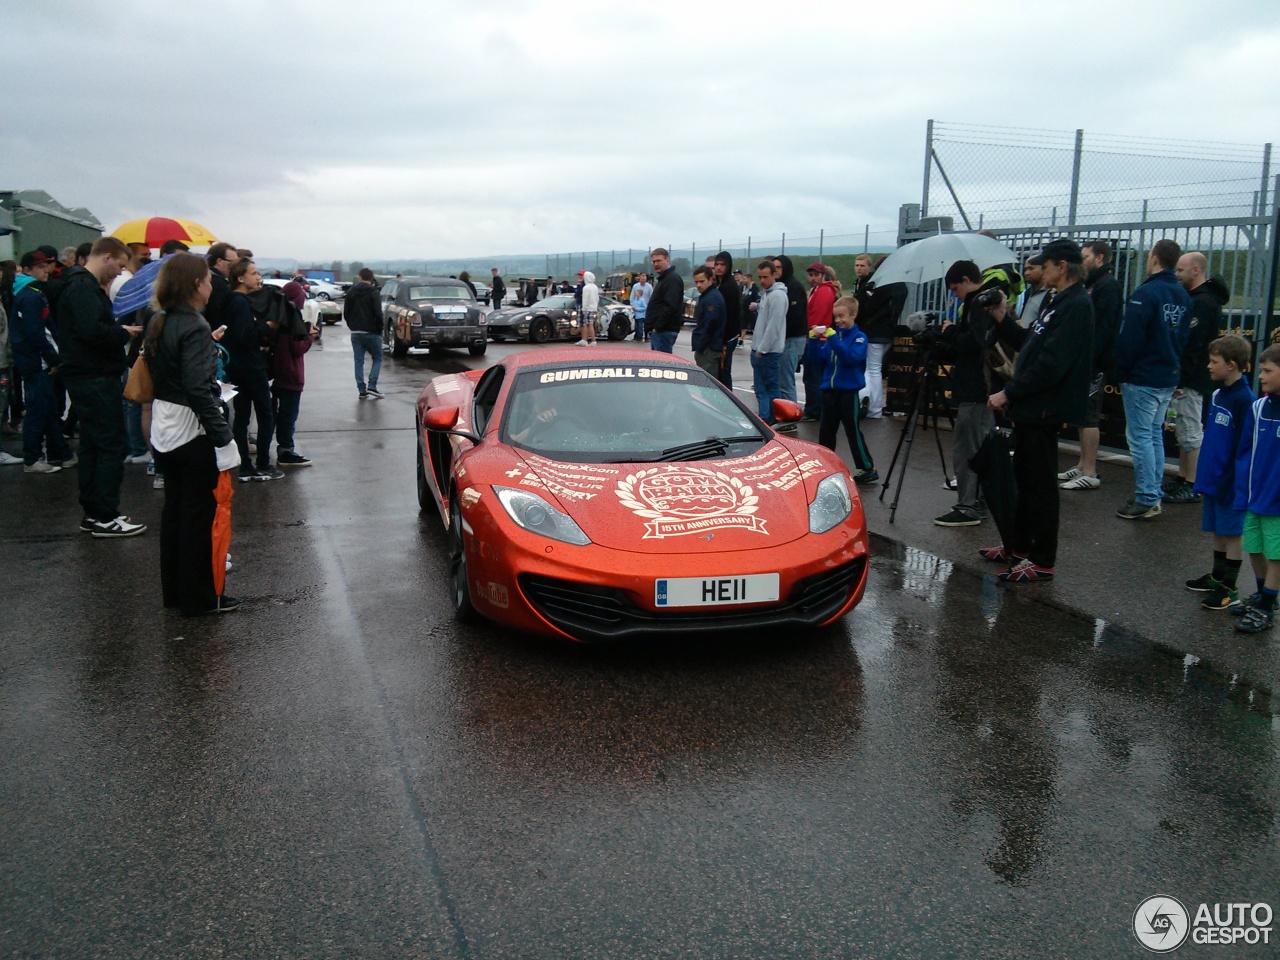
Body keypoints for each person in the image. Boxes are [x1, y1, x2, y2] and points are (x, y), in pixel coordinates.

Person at [986, 238, 1094, 583]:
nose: (1040, 272)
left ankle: (1043, 558)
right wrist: (1002, 317)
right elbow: (1031, 343)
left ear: (1061, 267)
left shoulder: (1076, 305)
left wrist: (1008, 392)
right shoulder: (1054, 301)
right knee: (1024, 479)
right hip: (1032, 407)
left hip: (1045, 407)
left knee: (1041, 485)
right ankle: (1017, 546)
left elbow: (1051, 364)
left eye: (1044, 266)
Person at [144, 253, 242, 614]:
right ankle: (200, 598)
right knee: (198, 517)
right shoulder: (194, 325)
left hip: (164, 427)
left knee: (175, 513)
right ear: (195, 285)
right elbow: (199, 389)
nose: (212, 283)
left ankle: (176, 593)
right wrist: (223, 437)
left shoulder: (158, 319)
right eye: (207, 278)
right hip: (191, 431)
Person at [55, 237, 147, 536]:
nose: (119, 273)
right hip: (95, 374)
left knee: (94, 446)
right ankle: (105, 514)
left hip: (84, 373)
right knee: (110, 444)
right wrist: (121, 334)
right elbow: (92, 331)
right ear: (107, 257)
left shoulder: (73, 283)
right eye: (119, 266)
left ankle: (94, 513)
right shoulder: (83, 287)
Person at [1113, 239, 1192, 520]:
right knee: (1154, 434)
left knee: (1141, 436)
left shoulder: (1146, 293)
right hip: (1167, 374)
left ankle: (1147, 496)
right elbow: (1182, 338)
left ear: (1155, 258)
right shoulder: (1182, 294)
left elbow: (1130, 337)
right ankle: (1152, 493)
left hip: (1144, 376)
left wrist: (1121, 370)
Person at [935, 260, 1011, 527]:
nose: (955, 294)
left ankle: (969, 505)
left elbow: (975, 344)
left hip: (977, 387)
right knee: (975, 444)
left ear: (966, 280)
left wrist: (950, 331)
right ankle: (978, 499)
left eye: (955, 289)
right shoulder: (986, 301)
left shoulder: (979, 305)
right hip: (980, 386)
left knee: (968, 446)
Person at [1182, 335, 1253, 610]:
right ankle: (1217, 576)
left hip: (1232, 480)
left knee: (1232, 532)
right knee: (1218, 530)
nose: (1209, 366)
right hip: (1214, 477)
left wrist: (1233, 477)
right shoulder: (1218, 393)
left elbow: (1244, 445)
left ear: (1232, 365)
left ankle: (1230, 588)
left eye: (1215, 362)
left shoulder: (1244, 400)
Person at [1165, 252, 1230, 504]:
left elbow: (1194, 344)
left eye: (1181, 270)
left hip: (1193, 377)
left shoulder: (1203, 302)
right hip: (1188, 375)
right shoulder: (1195, 298)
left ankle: (1193, 483)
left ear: (1195, 270)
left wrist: (1182, 377)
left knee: (1191, 428)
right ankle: (1183, 477)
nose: (1177, 274)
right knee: (1183, 426)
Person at [1058, 240, 1124, 490]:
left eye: (1085, 256)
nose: (1081, 260)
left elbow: (1104, 328)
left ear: (1100, 258)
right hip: (1086, 361)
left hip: (1094, 363)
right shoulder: (1092, 284)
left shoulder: (1107, 286)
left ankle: (1091, 470)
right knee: (1082, 413)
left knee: (1089, 416)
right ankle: (1082, 463)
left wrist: (1089, 358)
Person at [10, 251, 74, 472]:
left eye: (46, 265)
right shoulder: (29, 296)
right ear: (27, 270)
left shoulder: (31, 292)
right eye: (39, 267)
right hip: (36, 362)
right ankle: (32, 458)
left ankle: (62, 454)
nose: (45, 270)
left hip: (36, 361)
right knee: (38, 410)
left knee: (47, 408)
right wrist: (53, 358)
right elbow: (36, 333)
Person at [1231, 344, 1280, 633]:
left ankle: (1266, 609)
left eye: (1267, 371)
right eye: (1260, 370)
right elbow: (1245, 452)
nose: (1260, 376)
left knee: (1276, 555)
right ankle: (1265, 595)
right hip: (1255, 495)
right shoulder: (1258, 407)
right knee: (1254, 548)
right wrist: (1243, 490)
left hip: (1277, 501)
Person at [225, 258, 282, 482]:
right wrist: (266, 327)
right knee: (266, 414)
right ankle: (262, 464)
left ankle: (245, 466)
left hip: (236, 367)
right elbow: (245, 335)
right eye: (254, 273)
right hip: (250, 366)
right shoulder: (240, 303)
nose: (258, 277)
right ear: (241, 278)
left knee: (242, 416)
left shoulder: (230, 301)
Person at [808, 296, 876, 483]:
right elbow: (818, 360)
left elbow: (850, 358)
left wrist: (832, 339)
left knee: (852, 431)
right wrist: (813, 341)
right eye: (836, 317)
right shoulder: (833, 338)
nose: (838, 321)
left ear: (853, 315)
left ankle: (867, 467)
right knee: (826, 431)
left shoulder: (860, 338)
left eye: (842, 316)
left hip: (848, 393)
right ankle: (824, 465)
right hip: (829, 392)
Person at [272, 281, 317, 467]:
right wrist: (310, 336)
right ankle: (286, 451)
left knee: (276, 414)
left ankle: (275, 448)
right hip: (291, 375)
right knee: (288, 415)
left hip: (278, 373)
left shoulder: (277, 317)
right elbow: (297, 348)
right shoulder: (292, 318)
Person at [750, 259, 787, 422]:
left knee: (770, 388)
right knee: (760, 388)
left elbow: (774, 326)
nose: (762, 281)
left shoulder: (778, 296)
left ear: (774, 275)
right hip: (760, 350)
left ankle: (772, 418)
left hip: (768, 352)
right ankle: (765, 417)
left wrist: (762, 349)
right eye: (760, 277)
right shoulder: (767, 295)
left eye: (765, 277)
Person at [802, 262, 838, 421]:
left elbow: (818, 316)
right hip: (818, 337)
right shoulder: (820, 290)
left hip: (818, 338)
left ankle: (814, 410)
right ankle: (817, 408)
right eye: (811, 275)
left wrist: (813, 335)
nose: (813, 278)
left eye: (816, 275)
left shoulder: (823, 291)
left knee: (813, 376)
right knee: (814, 376)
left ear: (823, 276)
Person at [343, 267, 384, 399]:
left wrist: (352, 326)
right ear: (371, 279)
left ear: (360, 277)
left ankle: (361, 389)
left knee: (358, 360)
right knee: (377, 357)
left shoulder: (351, 292)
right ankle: (372, 385)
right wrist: (380, 328)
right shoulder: (374, 292)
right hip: (372, 331)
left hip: (356, 331)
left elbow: (346, 313)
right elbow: (378, 313)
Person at [773, 256, 807, 406]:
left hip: (792, 339)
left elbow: (796, 316)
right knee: (780, 379)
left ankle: (790, 414)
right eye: (774, 267)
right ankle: (783, 411)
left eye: (779, 267)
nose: (776, 270)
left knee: (786, 380)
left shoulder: (794, 287)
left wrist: (783, 335)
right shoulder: (778, 286)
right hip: (783, 339)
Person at [646, 248, 684, 353]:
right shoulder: (664, 279)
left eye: (659, 260)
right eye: (654, 262)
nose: (656, 264)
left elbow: (670, 306)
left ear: (667, 260)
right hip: (660, 331)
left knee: (661, 365)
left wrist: (658, 327)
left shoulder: (672, 279)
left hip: (664, 331)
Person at [689, 265, 725, 377]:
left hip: (708, 349)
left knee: (707, 384)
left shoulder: (712, 298)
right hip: (707, 347)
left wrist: (701, 345)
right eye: (696, 282)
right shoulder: (707, 296)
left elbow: (711, 324)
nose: (698, 285)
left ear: (710, 280)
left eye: (702, 281)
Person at [713, 253, 740, 388]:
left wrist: (723, 341)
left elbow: (728, 316)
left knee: (723, 372)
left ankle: (729, 403)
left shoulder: (728, 286)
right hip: (723, 336)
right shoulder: (719, 284)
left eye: (722, 265)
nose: (718, 268)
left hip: (727, 337)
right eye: (716, 264)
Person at [203, 242, 239, 333]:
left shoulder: (206, 278)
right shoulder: (219, 284)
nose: (236, 267)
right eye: (233, 262)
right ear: (219, 261)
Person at [1019, 254, 1048, 329]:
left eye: (1031, 268)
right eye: (1025, 269)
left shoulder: (1050, 295)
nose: (1026, 273)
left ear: (1043, 269)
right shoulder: (1027, 294)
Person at [576, 271, 599, 345]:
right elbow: (597, 298)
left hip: (587, 308)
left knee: (588, 324)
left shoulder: (586, 288)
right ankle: (588, 340)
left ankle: (592, 340)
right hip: (593, 307)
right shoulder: (595, 287)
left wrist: (584, 309)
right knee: (589, 324)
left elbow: (585, 300)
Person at [629, 272, 652, 341]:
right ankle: (637, 336)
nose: (643, 280)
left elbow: (651, 297)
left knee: (646, 323)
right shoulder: (635, 286)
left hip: (646, 307)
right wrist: (632, 305)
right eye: (642, 279)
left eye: (644, 279)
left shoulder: (649, 287)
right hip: (637, 308)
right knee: (637, 323)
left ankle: (646, 336)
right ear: (639, 279)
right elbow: (632, 296)